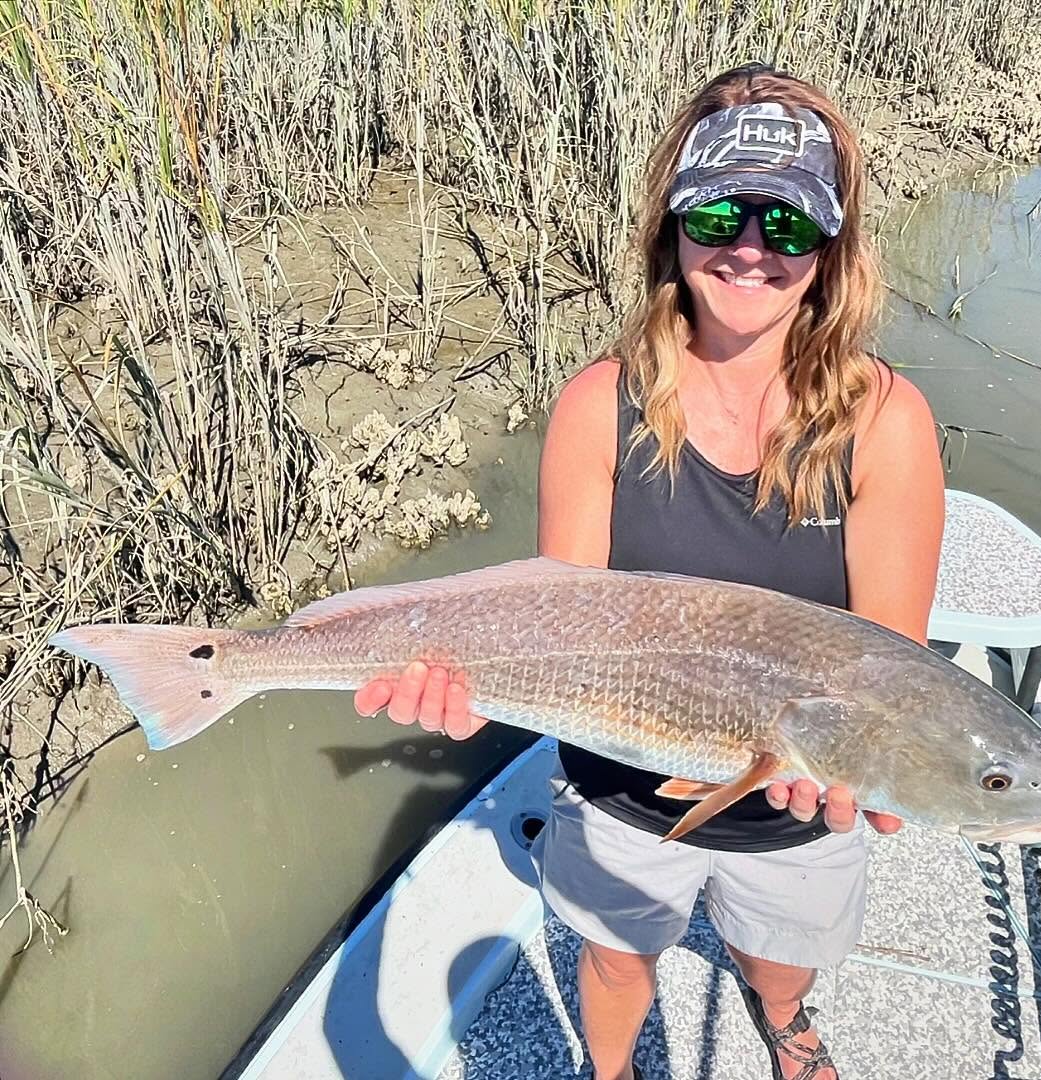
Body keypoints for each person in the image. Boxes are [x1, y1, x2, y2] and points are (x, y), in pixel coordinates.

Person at [354, 62, 944, 1080]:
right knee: (619, 960)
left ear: (830, 249)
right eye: (719, 213)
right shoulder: (599, 404)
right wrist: (466, 691)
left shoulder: (886, 421)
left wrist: (868, 765)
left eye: (790, 224)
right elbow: (556, 625)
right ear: (672, 226)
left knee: (778, 961)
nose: (751, 248)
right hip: (620, 788)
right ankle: (612, 1071)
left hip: (794, 800)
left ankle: (787, 1024)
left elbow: (892, 662)